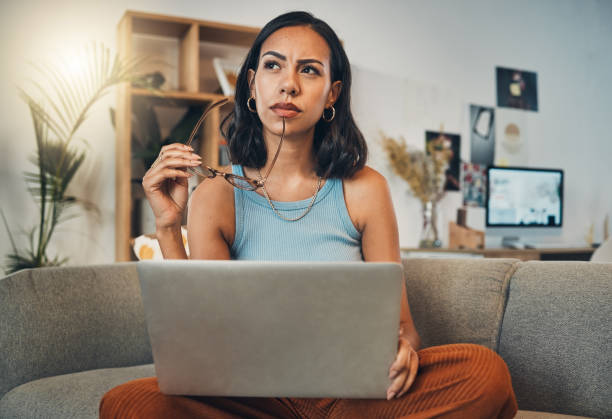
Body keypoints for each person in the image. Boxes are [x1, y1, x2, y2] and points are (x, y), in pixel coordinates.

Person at [100, 11, 517, 418]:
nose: (288, 85)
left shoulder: (365, 189)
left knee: (485, 373)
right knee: (125, 405)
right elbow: (204, 337)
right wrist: (169, 227)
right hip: (257, 396)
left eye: (310, 70)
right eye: (273, 66)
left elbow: (402, 326)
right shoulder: (216, 193)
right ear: (253, 83)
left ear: (332, 94)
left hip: (355, 395)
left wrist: (405, 347)